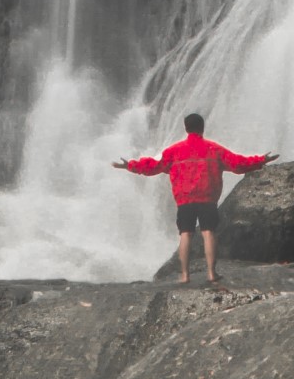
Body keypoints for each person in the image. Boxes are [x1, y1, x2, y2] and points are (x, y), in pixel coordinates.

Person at [112, 113, 278, 284]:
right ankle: (212, 274)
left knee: (185, 234)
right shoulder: (214, 149)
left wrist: (130, 165)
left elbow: (154, 166)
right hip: (208, 197)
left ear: (186, 128)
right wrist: (261, 160)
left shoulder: (173, 151)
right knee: (208, 233)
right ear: (202, 127)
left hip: (185, 199)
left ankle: (184, 275)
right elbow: (237, 163)